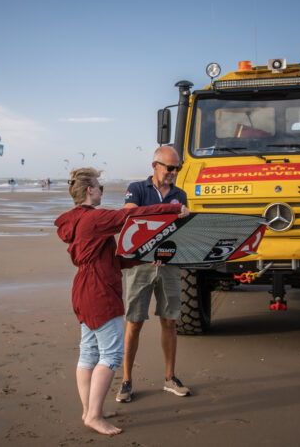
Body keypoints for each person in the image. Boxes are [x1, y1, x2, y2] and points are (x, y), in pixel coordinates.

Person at [55, 167, 188, 435]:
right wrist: (173, 210)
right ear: (90, 190)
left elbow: (111, 259)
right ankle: (94, 415)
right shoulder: (95, 219)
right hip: (99, 291)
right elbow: (129, 215)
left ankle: (90, 410)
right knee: (112, 354)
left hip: (84, 288)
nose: (102, 190)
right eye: (99, 186)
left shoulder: (77, 220)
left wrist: (144, 258)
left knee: (89, 352)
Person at [117, 146, 191, 403]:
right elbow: (129, 215)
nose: (173, 172)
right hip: (140, 266)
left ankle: (170, 378)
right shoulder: (137, 188)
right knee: (134, 322)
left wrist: (184, 219)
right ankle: (126, 381)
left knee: (169, 321)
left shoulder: (181, 194)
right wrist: (168, 212)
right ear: (155, 166)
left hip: (169, 265)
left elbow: (182, 232)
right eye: (169, 167)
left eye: (177, 168)